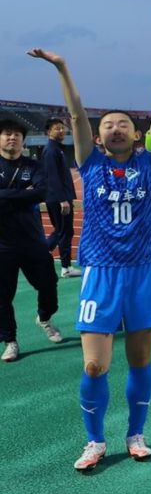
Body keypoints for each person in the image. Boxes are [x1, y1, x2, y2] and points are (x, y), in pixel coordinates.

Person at [30, 48, 151, 471]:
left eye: (123, 124)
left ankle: (136, 434)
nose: (115, 129)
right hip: (102, 274)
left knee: (140, 360)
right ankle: (95, 441)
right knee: (94, 365)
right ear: (97, 135)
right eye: (107, 124)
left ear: (136, 133)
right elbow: (75, 115)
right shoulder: (90, 164)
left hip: (143, 272)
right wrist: (62, 68)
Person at [0, 119, 63, 363]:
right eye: (7, 134)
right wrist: (24, 194)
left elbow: (42, 192)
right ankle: (10, 341)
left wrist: (6, 196)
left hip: (32, 240)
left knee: (49, 285)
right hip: (3, 244)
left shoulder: (34, 166)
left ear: (23, 140)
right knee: (2, 297)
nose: (12, 138)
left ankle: (44, 317)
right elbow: (31, 195)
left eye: (17, 134)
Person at [40, 118, 82, 277]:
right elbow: (52, 177)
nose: (61, 131)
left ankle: (39, 255)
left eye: (62, 128)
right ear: (48, 131)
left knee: (63, 230)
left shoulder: (57, 149)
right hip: (58, 198)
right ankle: (65, 267)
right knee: (64, 231)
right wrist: (62, 199)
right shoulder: (51, 150)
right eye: (57, 128)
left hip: (61, 196)